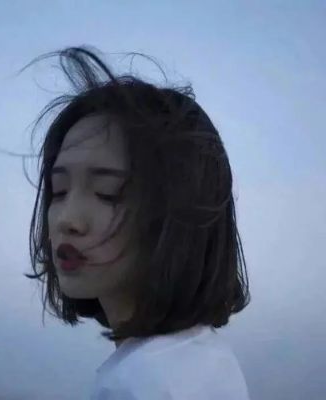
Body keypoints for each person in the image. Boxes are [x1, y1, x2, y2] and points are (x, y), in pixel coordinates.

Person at [23, 46, 251, 399]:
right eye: (59, 190)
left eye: (107, 193)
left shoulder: (140, 383)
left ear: (180, 214)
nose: (68, 219)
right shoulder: (205, 358)